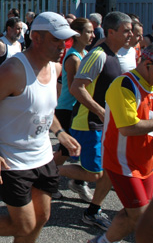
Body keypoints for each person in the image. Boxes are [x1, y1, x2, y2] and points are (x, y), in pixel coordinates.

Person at [0, 12, 81, 243]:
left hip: (44, 157)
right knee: (24, 224)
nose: (62, 46)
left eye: (65, 41)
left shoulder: (56, 68)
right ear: (36, 38)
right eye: (56, 40)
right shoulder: (13, 71)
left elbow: (44, 112)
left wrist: (60, 132)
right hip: (12, 160)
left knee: (42, 217)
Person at [88, 43, 153, 243]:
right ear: (147, 63)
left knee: (132, 214)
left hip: (147, 162)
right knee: (142, 217)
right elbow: (127, 128)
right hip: (122, 162)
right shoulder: (123, 85)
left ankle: (100, 242)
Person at [63, 12, 133, 231]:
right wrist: (101, 112)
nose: (131, 35)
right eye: (126, 31)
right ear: (111, 32)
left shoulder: (114, 55)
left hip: (105, 124)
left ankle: (93, 211)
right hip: (89, 122)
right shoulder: (99, 55)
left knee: (110, 170)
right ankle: (47, 171)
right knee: (95, 174)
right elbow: (76, 88)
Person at [53, 18, 95, 201]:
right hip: (68, 109)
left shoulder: (84, 53)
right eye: (89, 32)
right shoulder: (73, 58)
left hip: (77, 109)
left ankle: (78, 182)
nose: (92, 35)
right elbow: (73, 88)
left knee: (81, 148)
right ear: (78, 34)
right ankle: (44, 178)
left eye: (93, 31)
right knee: (64, 151)